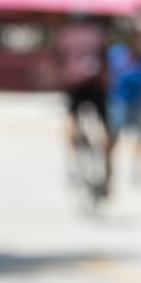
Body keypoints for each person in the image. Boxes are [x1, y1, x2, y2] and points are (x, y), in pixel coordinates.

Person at [55, 16, 113, 193]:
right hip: (96, 86)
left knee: (71, 121)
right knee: (104, 127)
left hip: (75, 86)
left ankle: (73, 164)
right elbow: (106, 62)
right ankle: (105, 164)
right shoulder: (99, 35)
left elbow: (58, 61)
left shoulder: (66, 35)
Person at [105, 30, 141, 184]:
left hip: (137, 102)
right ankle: (109, 168)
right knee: (113, 137)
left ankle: (137, 170)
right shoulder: (116, 55)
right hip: (118, 102)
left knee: (139, 138)